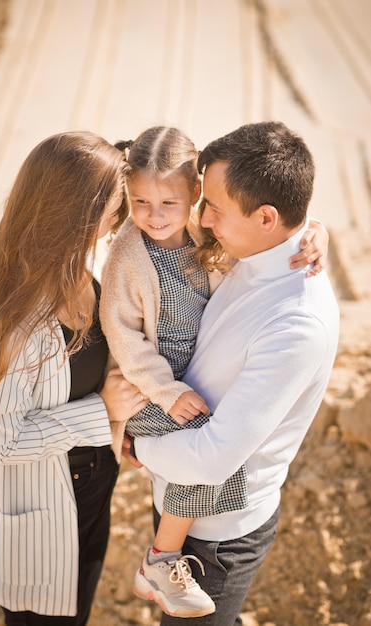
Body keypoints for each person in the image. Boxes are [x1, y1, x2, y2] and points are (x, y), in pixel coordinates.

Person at [99, 125, 332, 619]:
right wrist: (315, 226)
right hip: (169, 448)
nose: (202, 219)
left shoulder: (295, 320)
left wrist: (128, 438)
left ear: (266, 219)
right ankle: (160, 558)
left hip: (218, 533)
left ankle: (160, 561)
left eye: (212, 208)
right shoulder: (253, 247)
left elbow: (209, 460)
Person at [0, 131, 148, 626]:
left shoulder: (79, 264)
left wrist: (303, 232)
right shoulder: (17, 320)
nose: (120, 215)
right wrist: (102, 411)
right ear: (76, 212)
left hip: (91, 485)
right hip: (39, 506)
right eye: (113, 204)